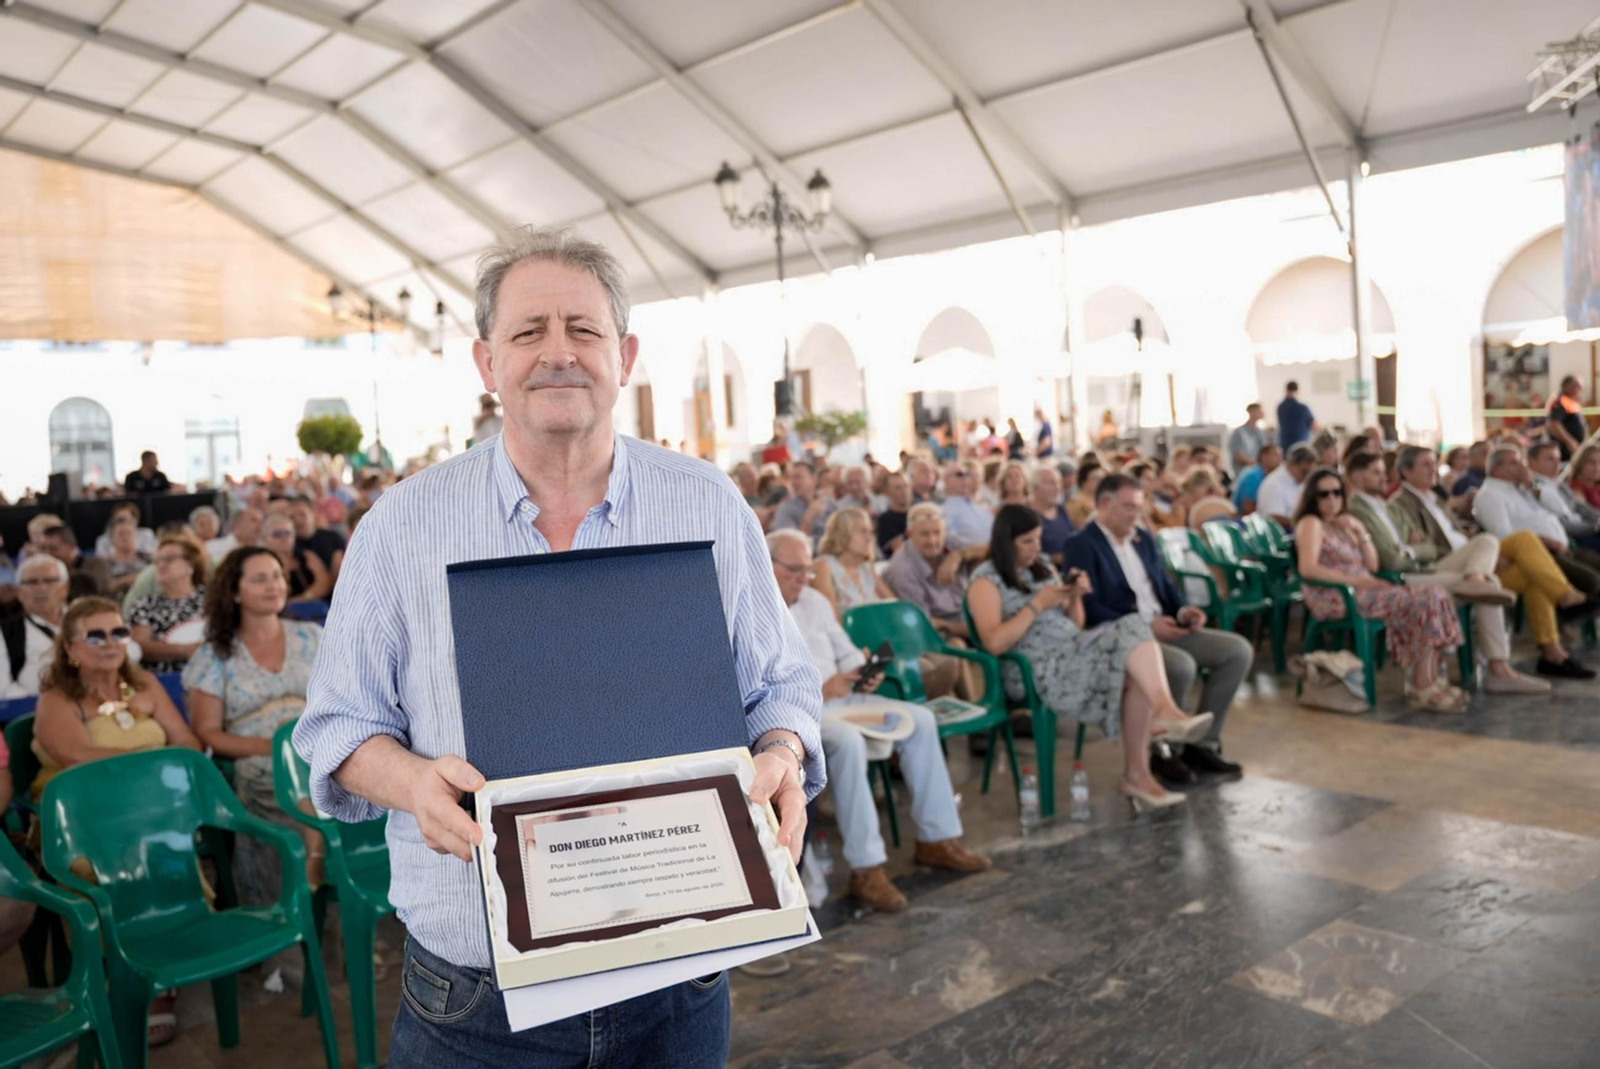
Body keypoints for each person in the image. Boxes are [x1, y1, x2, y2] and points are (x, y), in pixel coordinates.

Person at [293, 226, 821, 1066]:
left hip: (677, 977)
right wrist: (412, 782)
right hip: (476, 1002)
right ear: (486, 362)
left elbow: (780, 683)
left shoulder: (707, 504)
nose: (558, 353)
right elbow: (336, 726)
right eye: (528, 331)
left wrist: (783, 750)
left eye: (583, 329)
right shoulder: (403, 525)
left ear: (625, 355)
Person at [771, 531, 988, 911]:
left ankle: (937, 838)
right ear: (768, 565)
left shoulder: (815, 602)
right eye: (794, 570)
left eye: (808, 570)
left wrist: (862, 671)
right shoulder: (758, 611)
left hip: (846, 697)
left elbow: (846, 651)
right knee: (848, 741)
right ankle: (866, 867)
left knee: (921, 720)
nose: (804, 578)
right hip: (800, 714)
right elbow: (764, 685)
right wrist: (821, 689)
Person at [970, 506, 1215, 810]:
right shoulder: (986, 580)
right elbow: (993, 643)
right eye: (1027, 542)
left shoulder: (1041, 566)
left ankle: (1139, 770)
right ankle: (1161, 720)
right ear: (1006, 542)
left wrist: (1074, 596)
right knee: (1133, 628)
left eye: (1038, 539)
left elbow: (1074, 623)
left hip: (1072, 650)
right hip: (1033, 668)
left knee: (1134, 654)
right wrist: (1036, 605)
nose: (1037, 548)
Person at [1063, 475, 1251, 782]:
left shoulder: (1142, 538)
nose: (1136, 515)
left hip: (1164, 624)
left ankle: (1202, 745)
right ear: (1105, 504)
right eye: (1129, 507)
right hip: (1124, 636)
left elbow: (1164, 585)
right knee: (1180, 666)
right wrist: (1147, 626)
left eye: (1139, 508)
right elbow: (1090, 607)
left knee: (1236, 651)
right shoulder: (1082, 544)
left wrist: (1183, 610)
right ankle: (1165, 752)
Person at [186, 547, 325, 901]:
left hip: (317, 742)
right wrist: (275, 747)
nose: (273, 585)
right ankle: (313, 866)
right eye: (260, 579)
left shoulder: (311, 637)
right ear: (234, 592)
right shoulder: (215, 655)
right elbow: (208, 732)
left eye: (277, 576)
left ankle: (331, 868)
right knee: (290, 776)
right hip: (261, 757)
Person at [1344, 452, 1543, 695]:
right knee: (1490, 584)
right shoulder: (1360, 509)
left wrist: (1410, 549)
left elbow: (1427, 545)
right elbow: (1392, 561)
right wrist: (1412, 551)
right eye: (1376, 472)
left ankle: (1475, 582)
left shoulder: (1385, 506)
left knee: (1487, 542)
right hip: (1404, 578)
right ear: (1356, 476)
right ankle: (1499, 669)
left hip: (1430, 566)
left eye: (1382, 471)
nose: (1384, 477)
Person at [1391, 445, 1593, 680]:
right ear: (1406, 471)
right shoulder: (1402, 504)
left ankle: (1553, 655)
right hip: (1451, 564)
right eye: (1426, 465)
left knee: (1533, 577)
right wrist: (1482, 552)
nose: (1434, 469)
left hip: (1481, 558)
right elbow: (1419, 547)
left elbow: (1558, 512)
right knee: (1524, 540)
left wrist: (1482, 553)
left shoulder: (1437, 499)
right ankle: (1564, 595)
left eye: (1434, 464)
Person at [1294, 469, 1468, 710]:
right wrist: (1356, 581)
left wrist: (1360, 531)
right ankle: (1423, 685)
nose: (1332, 499)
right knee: (1428, 598)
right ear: (1312, 497)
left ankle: (1427, 680)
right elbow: (1308, 568)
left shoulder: (1343, 523)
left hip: (1364, 590)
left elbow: (1373, 565)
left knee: (1435, 594)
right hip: (1337, 595)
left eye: (1337, 493)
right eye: (1324, 494)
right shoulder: (1311, 523)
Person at [1474, 447, 1600, 602]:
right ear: (1495, 469)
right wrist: (1547, 541)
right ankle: (1569, 604)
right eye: (1514, 463)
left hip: (1565, 546)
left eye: (1521, 462)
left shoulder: (1521, 487)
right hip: (1543, 552)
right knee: (1593, 581)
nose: (1521, 467)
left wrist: (1531, 485)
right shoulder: (1490, 495)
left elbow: (1559, 510)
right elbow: (1505, 536)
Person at [884, 504, 971, 640]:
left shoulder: (950, 543)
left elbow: (992, 551)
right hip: (942, 635)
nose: (932, 540)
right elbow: (923, 624)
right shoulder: (903, 569)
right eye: (924, 534)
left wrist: (958, 556)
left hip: (970, 619)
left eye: (937, 532)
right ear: (910, 534)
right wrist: (974, 630)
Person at [126, 537, 208, 674]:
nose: (161, 565)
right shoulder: (145, 604)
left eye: (169, 559)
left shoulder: (214, 600)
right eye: (157, 560)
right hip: (164, 679)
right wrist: (184, 650)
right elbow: (139, 646)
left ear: (190, 564)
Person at [1, 556, 67, 698]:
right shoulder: (5, 633)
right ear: (19, 592)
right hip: (30, 706)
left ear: (65, 588)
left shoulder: (89, 623)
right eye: (32, 582)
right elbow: (3, 688)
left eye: (49, 581)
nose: (41, 588)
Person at [812, 508, 895, 620]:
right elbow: (833, 621)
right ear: (842, 534)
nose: (869, 539)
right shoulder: (823, 567)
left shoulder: (867, 568)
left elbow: (895, 607)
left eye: (871, 532)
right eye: (862, 532)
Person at [1528, 441, 1600, 549]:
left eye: (1558, 459)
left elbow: (1580, 505)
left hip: (1585, 528)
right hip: (1572, 536)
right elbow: (1560, 521)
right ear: (1532, 461)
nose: (1557, 463)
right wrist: (1594, 528)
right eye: (1550, 459)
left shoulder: (1559, 484)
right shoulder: (1535, 485)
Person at [261, 515, 331, 603]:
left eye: (288, 533)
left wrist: (303, 599)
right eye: (277, 534)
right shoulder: (261, 563)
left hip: (311, 605)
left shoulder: (307, 556)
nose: (284, 538)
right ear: (264, 538)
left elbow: (325, 582)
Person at [288, 497, 347, 580]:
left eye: (302, 515)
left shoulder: (333, 538)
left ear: (313, 513)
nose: (298, 520)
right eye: (292, 517)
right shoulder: (289, 546)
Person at [939, 462, 994, 552]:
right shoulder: (945, 510)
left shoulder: (982, 505)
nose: (965, 478)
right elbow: (948, 539)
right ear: (947, 480)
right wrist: (977, 549)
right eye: (959, 475)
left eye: (967, 474)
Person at [1257, 444, 1316, 525]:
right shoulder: (1274, 484)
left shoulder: (1300, 482)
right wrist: (1304, 524)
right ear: (1291, 464)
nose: (1306, 477)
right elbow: (1274, 519)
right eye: (1304, 472)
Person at [770, 461, 830, 541]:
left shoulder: (829, 503)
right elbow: (791, 543)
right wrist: (810, 515)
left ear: (814, 479)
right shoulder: (785, 510)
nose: (793, 482)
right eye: (792, 478)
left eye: (798, 477)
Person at [1030, 466, 1075, 568]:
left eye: (1058, 483)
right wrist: (1058, 558)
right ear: (1036, 488)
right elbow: (1026, 552)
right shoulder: (1028, 514)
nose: (1057, 488)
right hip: (1044, 570)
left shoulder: (1062, 509)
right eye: (1051, 483)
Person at [100, 515, 152, 598]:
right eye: (121, 534)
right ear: (111, 538)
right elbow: (104, 588)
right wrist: (128, 580)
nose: (126, 537)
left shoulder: (148, 558)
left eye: (129, 533)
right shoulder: (103, 563)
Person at [1547, 375, 1588, 460]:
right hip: (1565, 451)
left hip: (1574, 450)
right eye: (1576, 386)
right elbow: (1554, 424)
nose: (1579, 389)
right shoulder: (1561, 401)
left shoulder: (1571, 401)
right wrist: (1570, 442)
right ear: (1566, 386)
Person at [1233, 443, 1281, 515]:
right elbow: (1248, 508)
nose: (1280, 459)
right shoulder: (1253, 475)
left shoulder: (1266, 475)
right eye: (1276, 455)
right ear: (1264, 457)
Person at [875, 471, 913, 556]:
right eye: (898, 488)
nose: (904, 491)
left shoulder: (918, 514)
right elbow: (900, 551)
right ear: (887, 493)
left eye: (906, 486)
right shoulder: (886, 520)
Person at [1228, 403, 1266, 475]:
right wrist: (1254, 464)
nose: (1263, 413)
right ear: (1252, 412)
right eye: (1260, 411)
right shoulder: (1239, 432)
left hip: (1257, 469)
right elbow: (1237, 454)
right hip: (1242, 471)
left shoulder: (1260, 432)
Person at [1276, 381, 1316, 449]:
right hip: (1301, 445)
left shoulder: (1280, 407)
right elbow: (1314, 425)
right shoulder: (1302, 408)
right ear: (1298, 391)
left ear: (1286, 390)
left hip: (1285, 444)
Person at [1066, 463, 1104, 528]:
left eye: (1102, 479)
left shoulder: (1102, 502)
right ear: (1084, 481)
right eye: (1096, 479)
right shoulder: (1075, 503)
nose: (1101, 482)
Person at [1569, 441, 1600, 510]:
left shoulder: (1596, 486)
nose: (1597, 468)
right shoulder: (1575, 488)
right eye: (1592, 462)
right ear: (1581, 463)